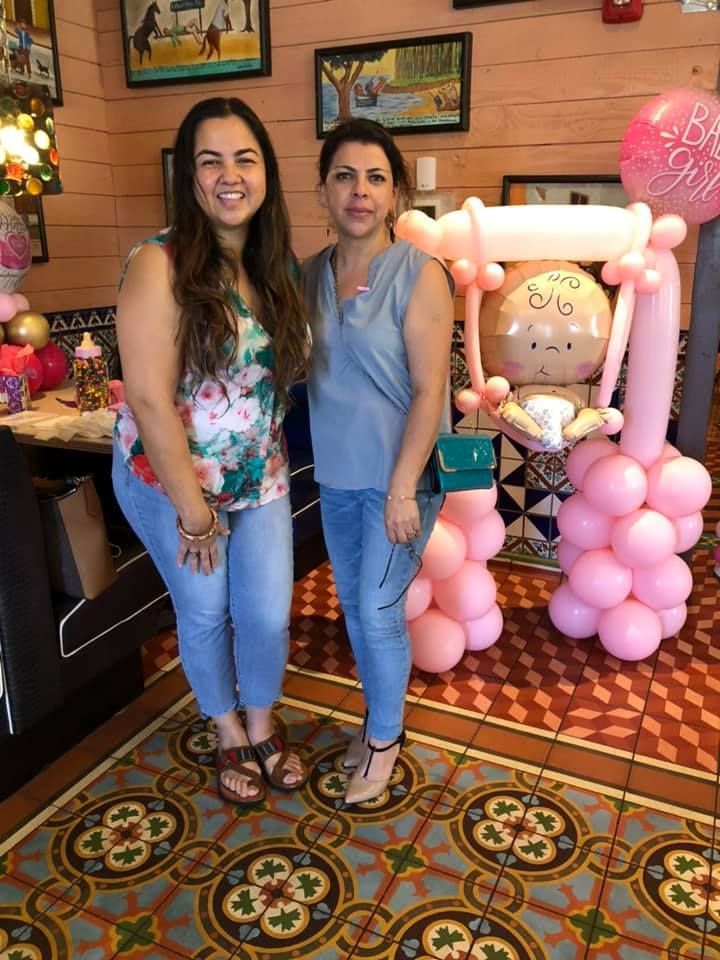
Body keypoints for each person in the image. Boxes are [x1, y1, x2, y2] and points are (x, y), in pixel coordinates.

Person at [112, 97, 310, 806]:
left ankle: (260, 722)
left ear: (266, 173)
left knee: (266, 613)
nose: (230, 175)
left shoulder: (275, 265)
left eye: (245, 159)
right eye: (210, 161)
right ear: (189, 178)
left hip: (260, 476)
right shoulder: (158, 263)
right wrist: (195, 515)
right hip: (172, 481)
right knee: (204, 610)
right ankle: (227, 730)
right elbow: (147, 398)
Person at [302, 119, 454, 805]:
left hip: (402, 483)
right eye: (344, 176)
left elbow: (429, 391)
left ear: (395, 195)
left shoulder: (420, 274)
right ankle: (376, 722)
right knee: (358, 611)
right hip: (337, 477)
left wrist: (400, 490)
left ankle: (386, 738)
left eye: (375, 178)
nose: (359, 191)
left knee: (378, 609)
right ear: (323, 191)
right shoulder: (308, 275)